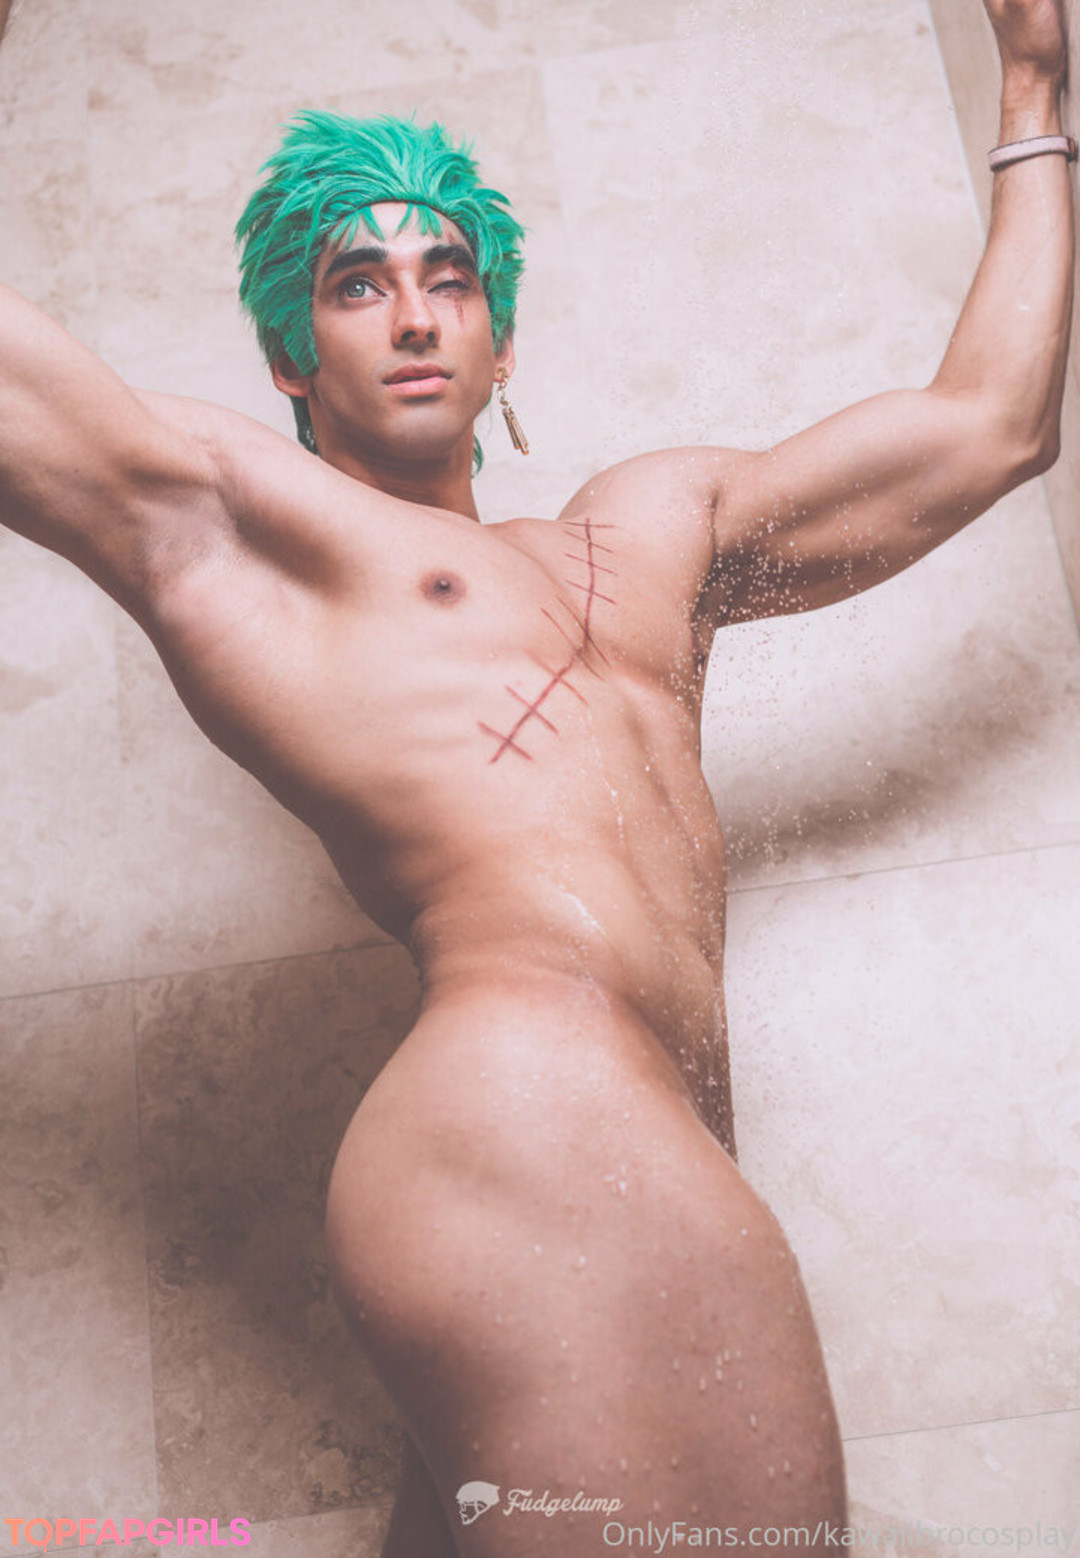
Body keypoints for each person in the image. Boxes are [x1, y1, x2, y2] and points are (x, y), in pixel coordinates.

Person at [0, 0, 1072, 1550]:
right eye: (356, 283)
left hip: (632, 1140)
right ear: (293, 354)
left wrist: (1034, 87)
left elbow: (990, 427)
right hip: (527, 1101)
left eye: (450, 279)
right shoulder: (256, 537)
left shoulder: (656, 526)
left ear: (503, 341)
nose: (414, 314)